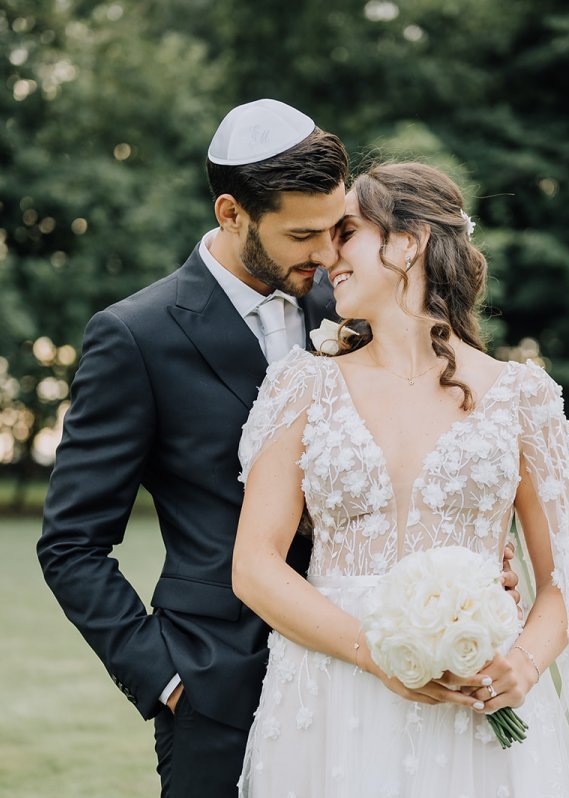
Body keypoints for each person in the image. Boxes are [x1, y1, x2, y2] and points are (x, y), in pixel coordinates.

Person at [37, 101, 518, 797]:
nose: (326, 254)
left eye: (337, 229)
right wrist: (165, 678)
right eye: (302, 234)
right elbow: (71, 544)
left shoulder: (353, 306)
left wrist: (467, 565)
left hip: (368, 684)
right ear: (232, 213)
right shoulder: (136, 337)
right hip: (217, 687)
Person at [233, 162, 569, 797]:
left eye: (348, 233)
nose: (329, 255)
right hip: (331, 695)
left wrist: (522, 666)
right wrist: (374, 652)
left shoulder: (523, 397)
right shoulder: (302, 386)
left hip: (474, 705)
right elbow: (254, 566)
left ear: (409, 242)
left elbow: (563, 583)